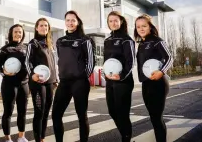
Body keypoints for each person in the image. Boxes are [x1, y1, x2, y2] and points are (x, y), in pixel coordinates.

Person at [52, 10, 96, 142]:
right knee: (56, 115)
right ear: (65, 22)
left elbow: (91, 62)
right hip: (64, 82)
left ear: (78, 22)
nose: (70, 23)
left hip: (80, 82)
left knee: (81, 116)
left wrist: (82, 77)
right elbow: (61, 60)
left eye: (73, 20)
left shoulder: (85, 40)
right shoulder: (60, 41)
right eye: (68, 20)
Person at [134, 14, 173, 142]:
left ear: (150, 27)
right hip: (146, 84)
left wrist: (161, 72)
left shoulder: (157, 41)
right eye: (138, 26)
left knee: (157, 118)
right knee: (153, 118)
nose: (141, 29)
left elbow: (170, 58)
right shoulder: (141, 44)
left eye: (144, 26)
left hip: (159, 84)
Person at [0, 24, 30, 142]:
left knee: (22, 111)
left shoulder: (26, 47)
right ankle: (8, 139)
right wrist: (4, 72)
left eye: (20, 32)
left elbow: (31, 64)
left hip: (24, 84)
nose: (18, 34)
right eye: (15, 32)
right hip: (9, 84)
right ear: (11, 33)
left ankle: (21, 137)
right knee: (8, 112)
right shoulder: (5, 49)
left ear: (22, 34)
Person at [103, 11, 135, 142]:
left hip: (124, 81)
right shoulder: (107, 40)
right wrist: (106, 75)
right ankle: (125, 134)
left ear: (121, 22)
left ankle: (126, 138)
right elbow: (106, 61)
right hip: (110, 81)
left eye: (116, 20)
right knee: (112, 111)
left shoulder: (127, 40)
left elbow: (130, 62)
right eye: (110, 21)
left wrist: (121, 76)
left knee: (122, 113)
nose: (113, 23)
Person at [25, 18, 58, 142]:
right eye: (41, 25)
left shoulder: (50, 43)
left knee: (46, 113)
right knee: (39, 112)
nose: (44, 27)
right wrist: (32, 74)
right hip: (38, 83)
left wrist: (56, 79)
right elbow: (27, 62)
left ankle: (42, 138)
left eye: (46, 25)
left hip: (51, 82)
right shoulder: (32, 43)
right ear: (36, 28)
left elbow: (54, 63)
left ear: (48, 28)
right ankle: (38, 140)